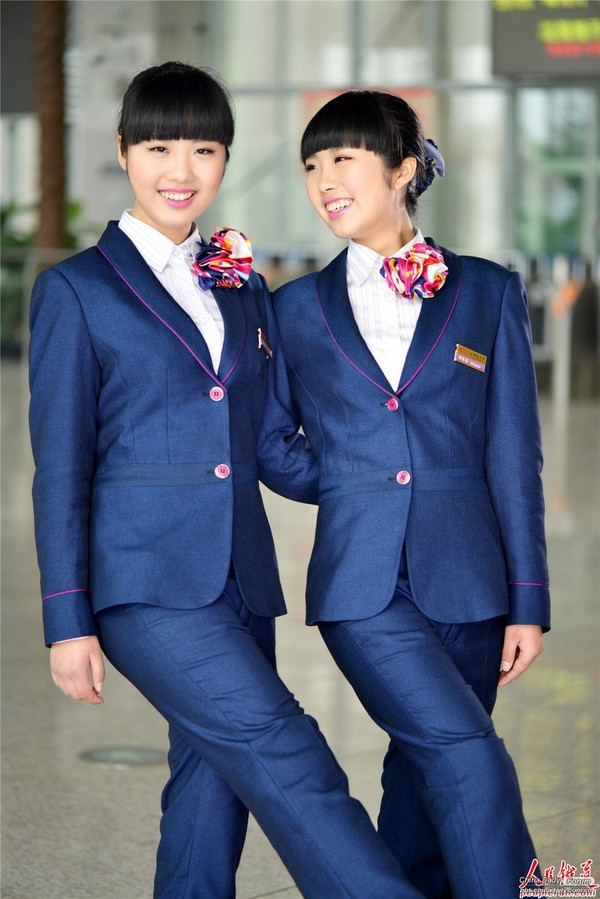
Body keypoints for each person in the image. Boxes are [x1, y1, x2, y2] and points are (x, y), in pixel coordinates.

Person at [28, 64, 426, 899]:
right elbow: (60, 466)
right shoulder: (76, 289)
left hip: (242, 578)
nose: (181, 170)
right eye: (159, 148)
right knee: (287, 749)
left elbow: (271, 446)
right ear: (124, 152)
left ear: (225, 158)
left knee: (211, 788)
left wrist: (388, 475)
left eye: (204, 149)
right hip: (145, 582)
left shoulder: (241, 286)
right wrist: (67, 619)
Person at [272, 90, 551, 899]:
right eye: (312, 166)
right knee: (467, 753)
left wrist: (528, 600)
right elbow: (270, 442)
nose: (324, 180)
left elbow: (514, 456)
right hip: (361, 586)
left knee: (422, 771)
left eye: (343, 159)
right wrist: (354, 485)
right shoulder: (293, 308)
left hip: (472, 583)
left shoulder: (488, 291)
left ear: (401, 169)